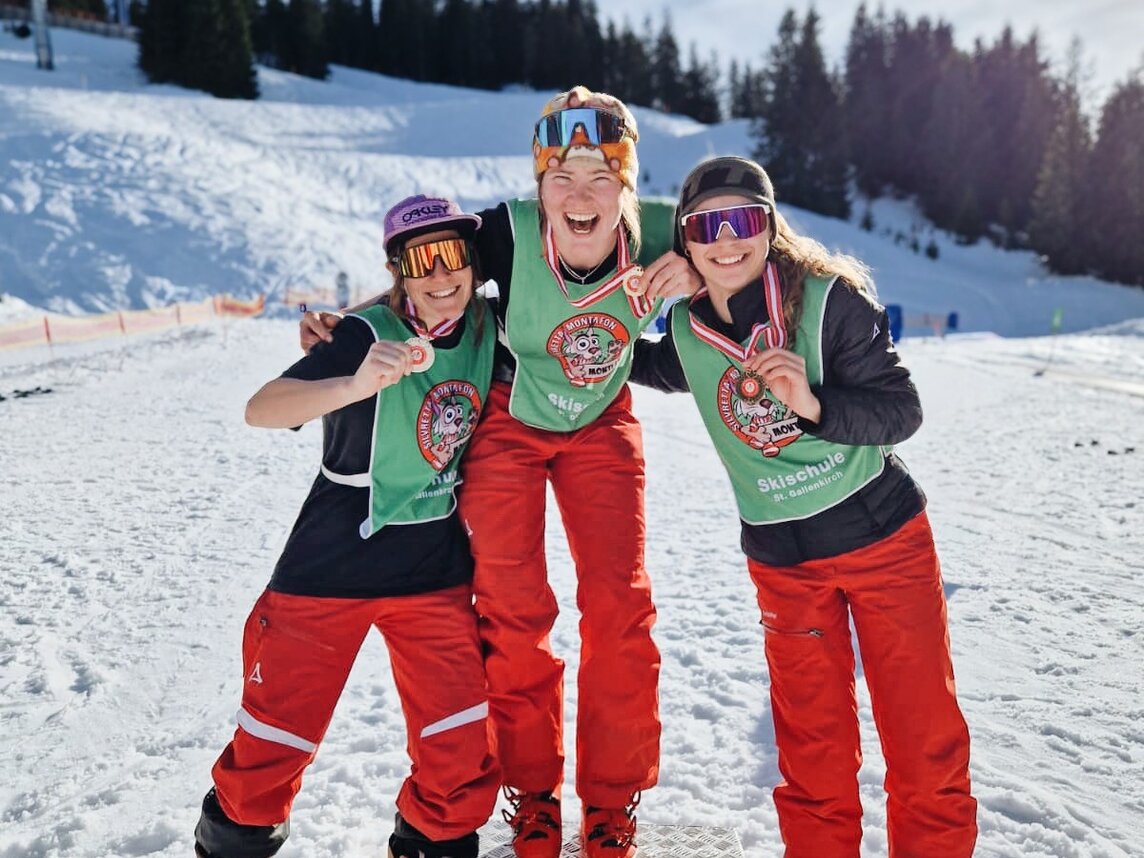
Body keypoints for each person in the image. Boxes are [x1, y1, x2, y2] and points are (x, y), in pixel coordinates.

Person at [303, 86, 700, 858]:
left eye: (600, 177)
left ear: (626, 184)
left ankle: (612, 800)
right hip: (509, 417)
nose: (580, 196)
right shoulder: (508, 234)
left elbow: (750, 262)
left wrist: (697, 282)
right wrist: (349, 325)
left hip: (601, 421)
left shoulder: (662, 237)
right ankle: (535, 792)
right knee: (515, 609)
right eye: (561, 178)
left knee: (621, 608)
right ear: (538, 185)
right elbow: (429, 280)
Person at [630, 156, 978, 858]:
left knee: (921, 739)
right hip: (785, 565)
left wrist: (815, 404)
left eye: (744, 221)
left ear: (769, 225)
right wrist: (512, 339)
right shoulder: (691, 336)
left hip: (882, 540)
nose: (727, 241)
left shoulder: (824, 300)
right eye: (706, 226)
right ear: (685, 240)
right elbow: (623, 353)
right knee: (812, 753)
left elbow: (901, 409)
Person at [194, 196, 500, 858]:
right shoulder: (366, 333)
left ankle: (431, 844)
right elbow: (262, 409)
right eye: (422, 259)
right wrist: (353, 384)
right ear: (398, 270)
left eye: (455, 255)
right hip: (328, 567)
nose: (441, 274)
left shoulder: (486, 330)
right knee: (271, 748)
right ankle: (234, 842)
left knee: (459, 745)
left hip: (432, 571)